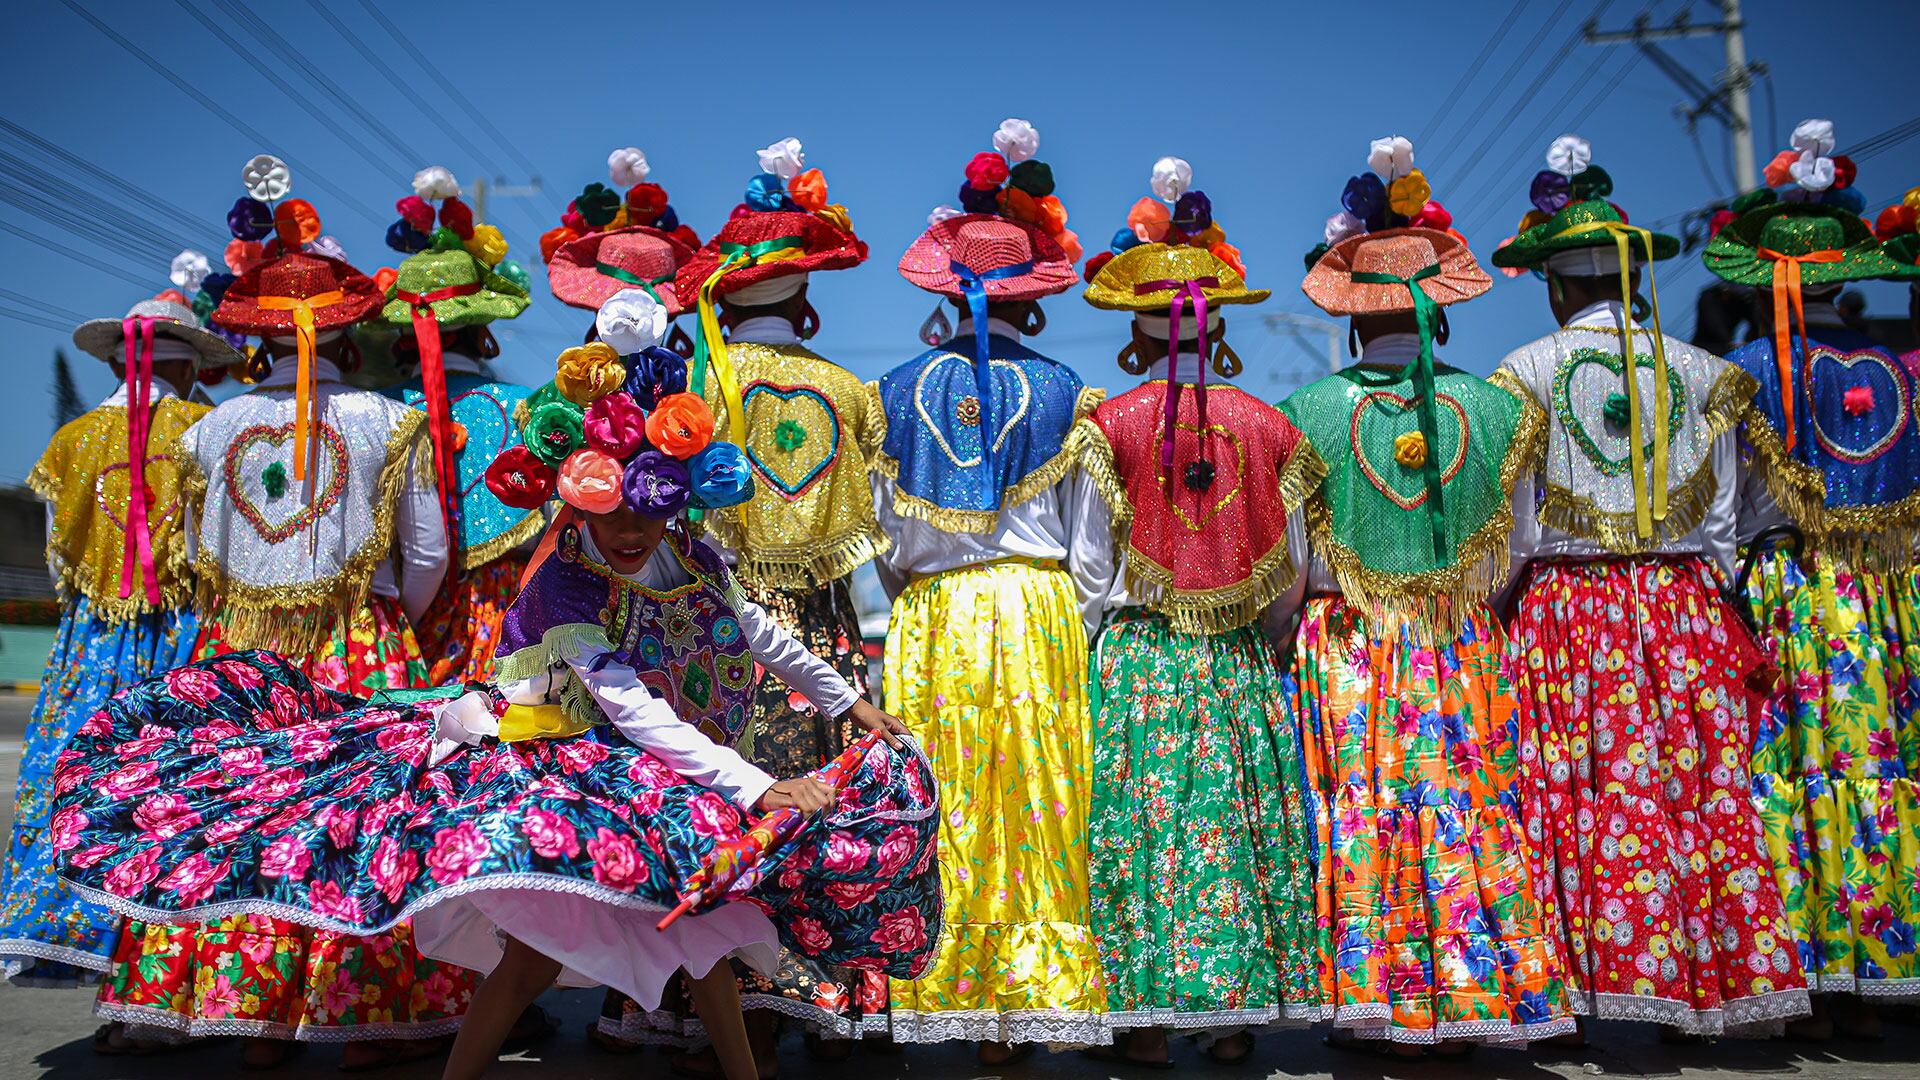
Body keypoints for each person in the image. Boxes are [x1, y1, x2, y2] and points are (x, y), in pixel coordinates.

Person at [48, 336, 939, 1080]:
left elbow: (760, 636)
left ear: (674, 505)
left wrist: (852, 703)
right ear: (577, 505)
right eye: (608, 516)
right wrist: (755, 790)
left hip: (658, 767)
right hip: (561, 759)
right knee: (539, 955)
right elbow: (626, 705)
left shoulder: (699, 555)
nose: (629, 533)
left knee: (708, 929)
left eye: (646, 516)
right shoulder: (563, 585)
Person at [90, 156, 470, 1070]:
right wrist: (396, 621)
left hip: (237, 648)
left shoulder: (206, 430)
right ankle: (363, 1018)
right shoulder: (391, 418)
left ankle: (244, 1008)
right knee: (364, 822)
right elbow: (426, 556)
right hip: (359, 648)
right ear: (351, 331)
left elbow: (192, 553)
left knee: (227, 815)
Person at [1490, 135, 1809, 1037]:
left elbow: (1514, 527)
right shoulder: (1709, 376)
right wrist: (1701, 593)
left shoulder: (1523, 374)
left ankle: (1585, 993)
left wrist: (1512, 593)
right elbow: (1724, 528)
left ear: (1556, 286)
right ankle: (1707, 991)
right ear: (1631, 282)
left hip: (1566, 608)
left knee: (1579, 793)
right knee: (1692, 790)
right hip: (1683, 606)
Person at [1278, 136, 1573, 1055]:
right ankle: (1482, 994)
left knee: (1361, 810)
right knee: (1466, 802)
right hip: (1457, 638)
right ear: (1434, 307)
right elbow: (1517, 545)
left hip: (1348, 645)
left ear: (1356, 313)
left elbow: (1291, 562)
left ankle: (1375, 1001)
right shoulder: (1495, 409)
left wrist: (1294, 625)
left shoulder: (1308, 413)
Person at [1072, 157, 1321, 1066]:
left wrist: (1093, 643)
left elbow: (1092, 567)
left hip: (1139, 656)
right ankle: (1235, 1012)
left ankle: (1140, 1022)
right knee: (1235, 821)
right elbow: (1291, 567)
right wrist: (1273, 631)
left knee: (1144, 828)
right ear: (1219, 327)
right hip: (1234, 657)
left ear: (1136, 335)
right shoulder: (1270, 423)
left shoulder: (1110, 424)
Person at [874, 118, 1109, 1063]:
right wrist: (1070, 620)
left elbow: (886, 543)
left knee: (950, 796)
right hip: (1040, 606)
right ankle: (1032, 993)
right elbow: (1094, 554)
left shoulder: (889, 394)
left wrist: (917, 593)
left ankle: (953, 988)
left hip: (935, 611)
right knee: (1044, 799)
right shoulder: (1068, 392)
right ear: (1035, 302)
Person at [671, 138, 894, 1058]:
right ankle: (838, 1002)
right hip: (823, 630)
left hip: (724, 630)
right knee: (827, 814)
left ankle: (741, 1009)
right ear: (802, 299)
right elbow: (876, 535)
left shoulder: (700, 386)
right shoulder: (846, 389)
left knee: (739, 809)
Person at [1702, 121, 1920, 1040]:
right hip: (1891, 597)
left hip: (1795, 590)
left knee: (1795, 766)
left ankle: (1819, 973)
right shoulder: (1907, 369)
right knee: (1885, 766)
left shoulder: (1750, 374)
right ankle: (1891, 958)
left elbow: (1726, 508)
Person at [0, 281, 236, 1001]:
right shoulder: (205, 429)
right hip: (181, 629)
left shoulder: (69, 441)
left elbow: (59, 564)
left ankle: (65, 925)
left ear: (115, 367)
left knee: (75, 770)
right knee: (176, 783)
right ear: (192, 366)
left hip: (91, 642)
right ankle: (154, 950)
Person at [378, 166, 539, 685]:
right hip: (508, 613)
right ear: (483, 330)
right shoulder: (528, 408)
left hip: (407, 611)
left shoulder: (383, 412)